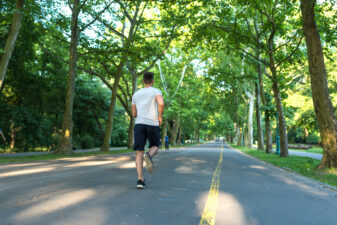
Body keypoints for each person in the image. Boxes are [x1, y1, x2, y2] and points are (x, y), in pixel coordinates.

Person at [132, 72, 164, 189]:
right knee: (155, 145)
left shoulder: (136, 94)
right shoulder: (156, 91)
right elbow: (161, 103)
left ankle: (140, 180)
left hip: (139, 124)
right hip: (152, 123)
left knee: (138, 153)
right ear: (153, 81)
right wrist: (160, 116)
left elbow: (134, 114)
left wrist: (139, 114)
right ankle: (149, 156)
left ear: (143, 81)